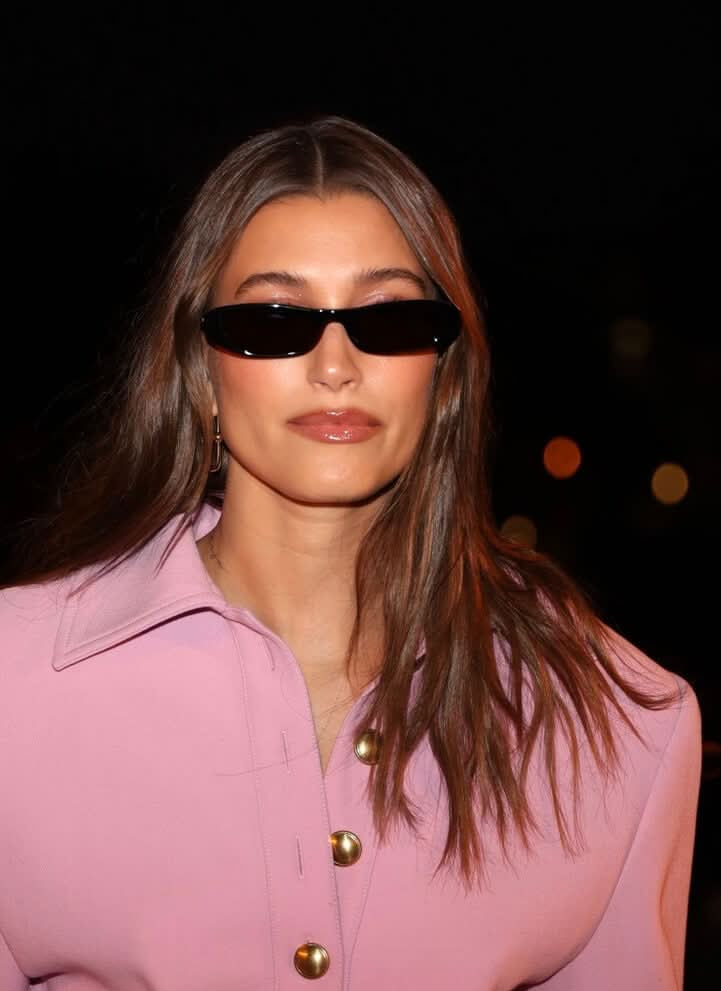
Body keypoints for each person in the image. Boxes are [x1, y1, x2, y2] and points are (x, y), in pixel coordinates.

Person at [0, 115, 701, 990]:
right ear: (200, 372)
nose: (335, 363)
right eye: (272, 319)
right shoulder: (16, 686)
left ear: (443, 375)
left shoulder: (619, 726)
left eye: (391, 317)